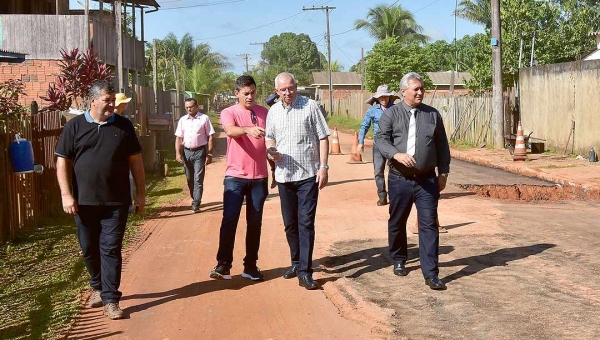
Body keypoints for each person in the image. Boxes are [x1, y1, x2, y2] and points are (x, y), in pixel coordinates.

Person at [55, 80, 145, 320]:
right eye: (107, 100)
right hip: (84, 202)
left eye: (113, 100)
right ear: (92, 101)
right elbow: (62, 161)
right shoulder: (74, 127)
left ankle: (111, 299)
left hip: (116, 201)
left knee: (110, 249)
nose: (111, 105)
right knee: (88, 249)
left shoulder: (124, 126)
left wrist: (141, 193)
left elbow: (136, 162)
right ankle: (97, 286)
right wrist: (66, 194)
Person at [375, 72, 451, 291]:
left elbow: (442, 147)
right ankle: (399, 258)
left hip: (426, 180)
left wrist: (443, 174)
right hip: (400, 179)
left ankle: (431, 273)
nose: (420, 92)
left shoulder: (432, 115)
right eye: (415, 89)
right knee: (397, 220)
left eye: (421, 88)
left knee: (429, 225)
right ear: (403, 91)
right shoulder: (391, 114)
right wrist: (396, 155)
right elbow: (381, 139)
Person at [265, 72, 330, 290]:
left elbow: (323, 137)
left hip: (308, 176)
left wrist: (324, 167)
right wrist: (270, 151)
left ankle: (305, 271)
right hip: (284, 176)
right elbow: (269, 136)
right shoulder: (273, 111)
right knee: (290, 224)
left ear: (296, 86)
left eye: (290, 88)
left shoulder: (310, 106)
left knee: (305, 223)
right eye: (283, 90)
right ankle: (295, 262)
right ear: (277, 91)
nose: (287, 93)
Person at [209, 75, 274, 281]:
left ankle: (250, 266)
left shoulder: (265, 112)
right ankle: (223, 264)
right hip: (235, 177)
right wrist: (247, 129)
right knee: (230, 219)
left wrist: (274, 168)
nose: (250, 97)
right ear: (236, 93)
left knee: (255, 223)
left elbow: (270, 142)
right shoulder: (229, 112)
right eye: (246, 93)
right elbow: (230, 130)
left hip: (259, 178)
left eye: (253, 92)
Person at [358, 84, 399, 206]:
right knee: (378, 172)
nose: (383, 99)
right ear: (377, 98)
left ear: (389, 97)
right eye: (381, 97)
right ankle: (382, 196)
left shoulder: (396, 109)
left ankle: (395, 196)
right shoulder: (372, 111)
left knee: (395, 172)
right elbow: (364, 126)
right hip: (378, 145)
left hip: (393, 145)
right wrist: (361, 142)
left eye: (385, 97)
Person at [175, 98, 215, 213]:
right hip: (186, 152)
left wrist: (210, 153)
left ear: (197, 107)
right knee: (189, 178)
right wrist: (178, 153)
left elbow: (211, 136)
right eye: (187, 107)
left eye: (191, 107)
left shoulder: (204, 119)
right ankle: (194, 197)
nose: (189, 109)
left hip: (200, 152)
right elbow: (178, 137)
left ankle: (196, 203)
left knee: (198, 178)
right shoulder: (182, 120)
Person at [114, 93, 135, 210]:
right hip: (122, 157)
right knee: (127, 179)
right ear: (121, 104)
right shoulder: (120, 121)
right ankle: (127, 205)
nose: (126, 105)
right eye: (125, 103)